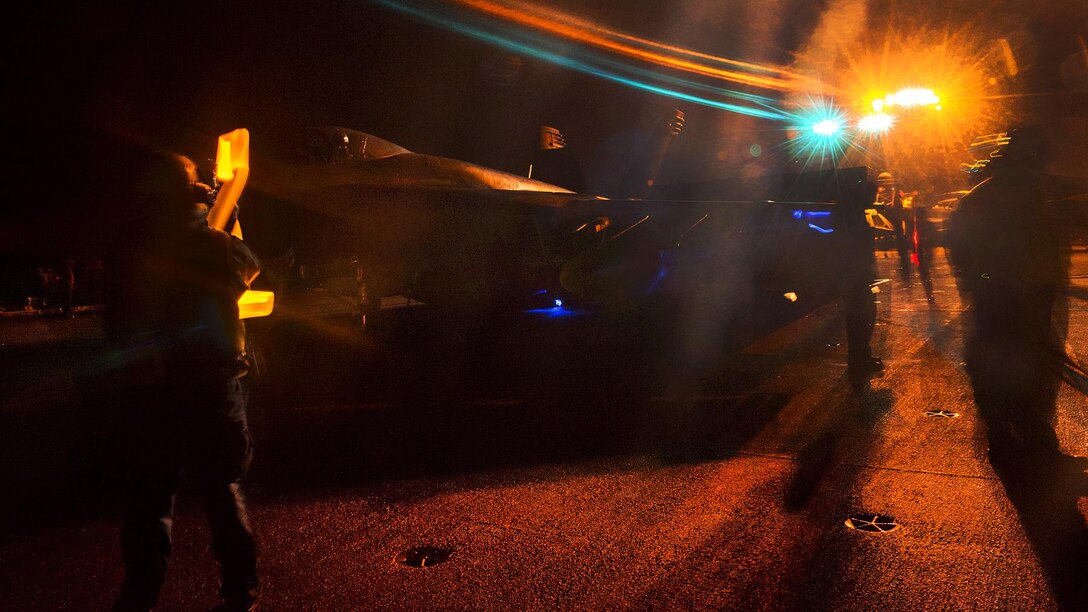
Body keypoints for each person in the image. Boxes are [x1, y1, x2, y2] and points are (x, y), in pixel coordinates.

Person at [105, 150, 261, 611]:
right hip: (213, 388)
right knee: (222, 491)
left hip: (151, 393)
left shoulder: (130, 252)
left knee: (151, 501)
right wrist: (221, 211)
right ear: (190, 190)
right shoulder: (217, 245)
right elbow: (248, 269)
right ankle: (241, 592)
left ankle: (139, 598)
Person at [946, 126, 1076, 468]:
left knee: (1022, 360)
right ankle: (1017, 434)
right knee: (1013, 360)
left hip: (1025, 292)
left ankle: (1018, 431)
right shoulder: (999, 197)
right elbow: (965, 247)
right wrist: (988, 280)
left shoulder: (1010, 194)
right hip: (1011, 294)